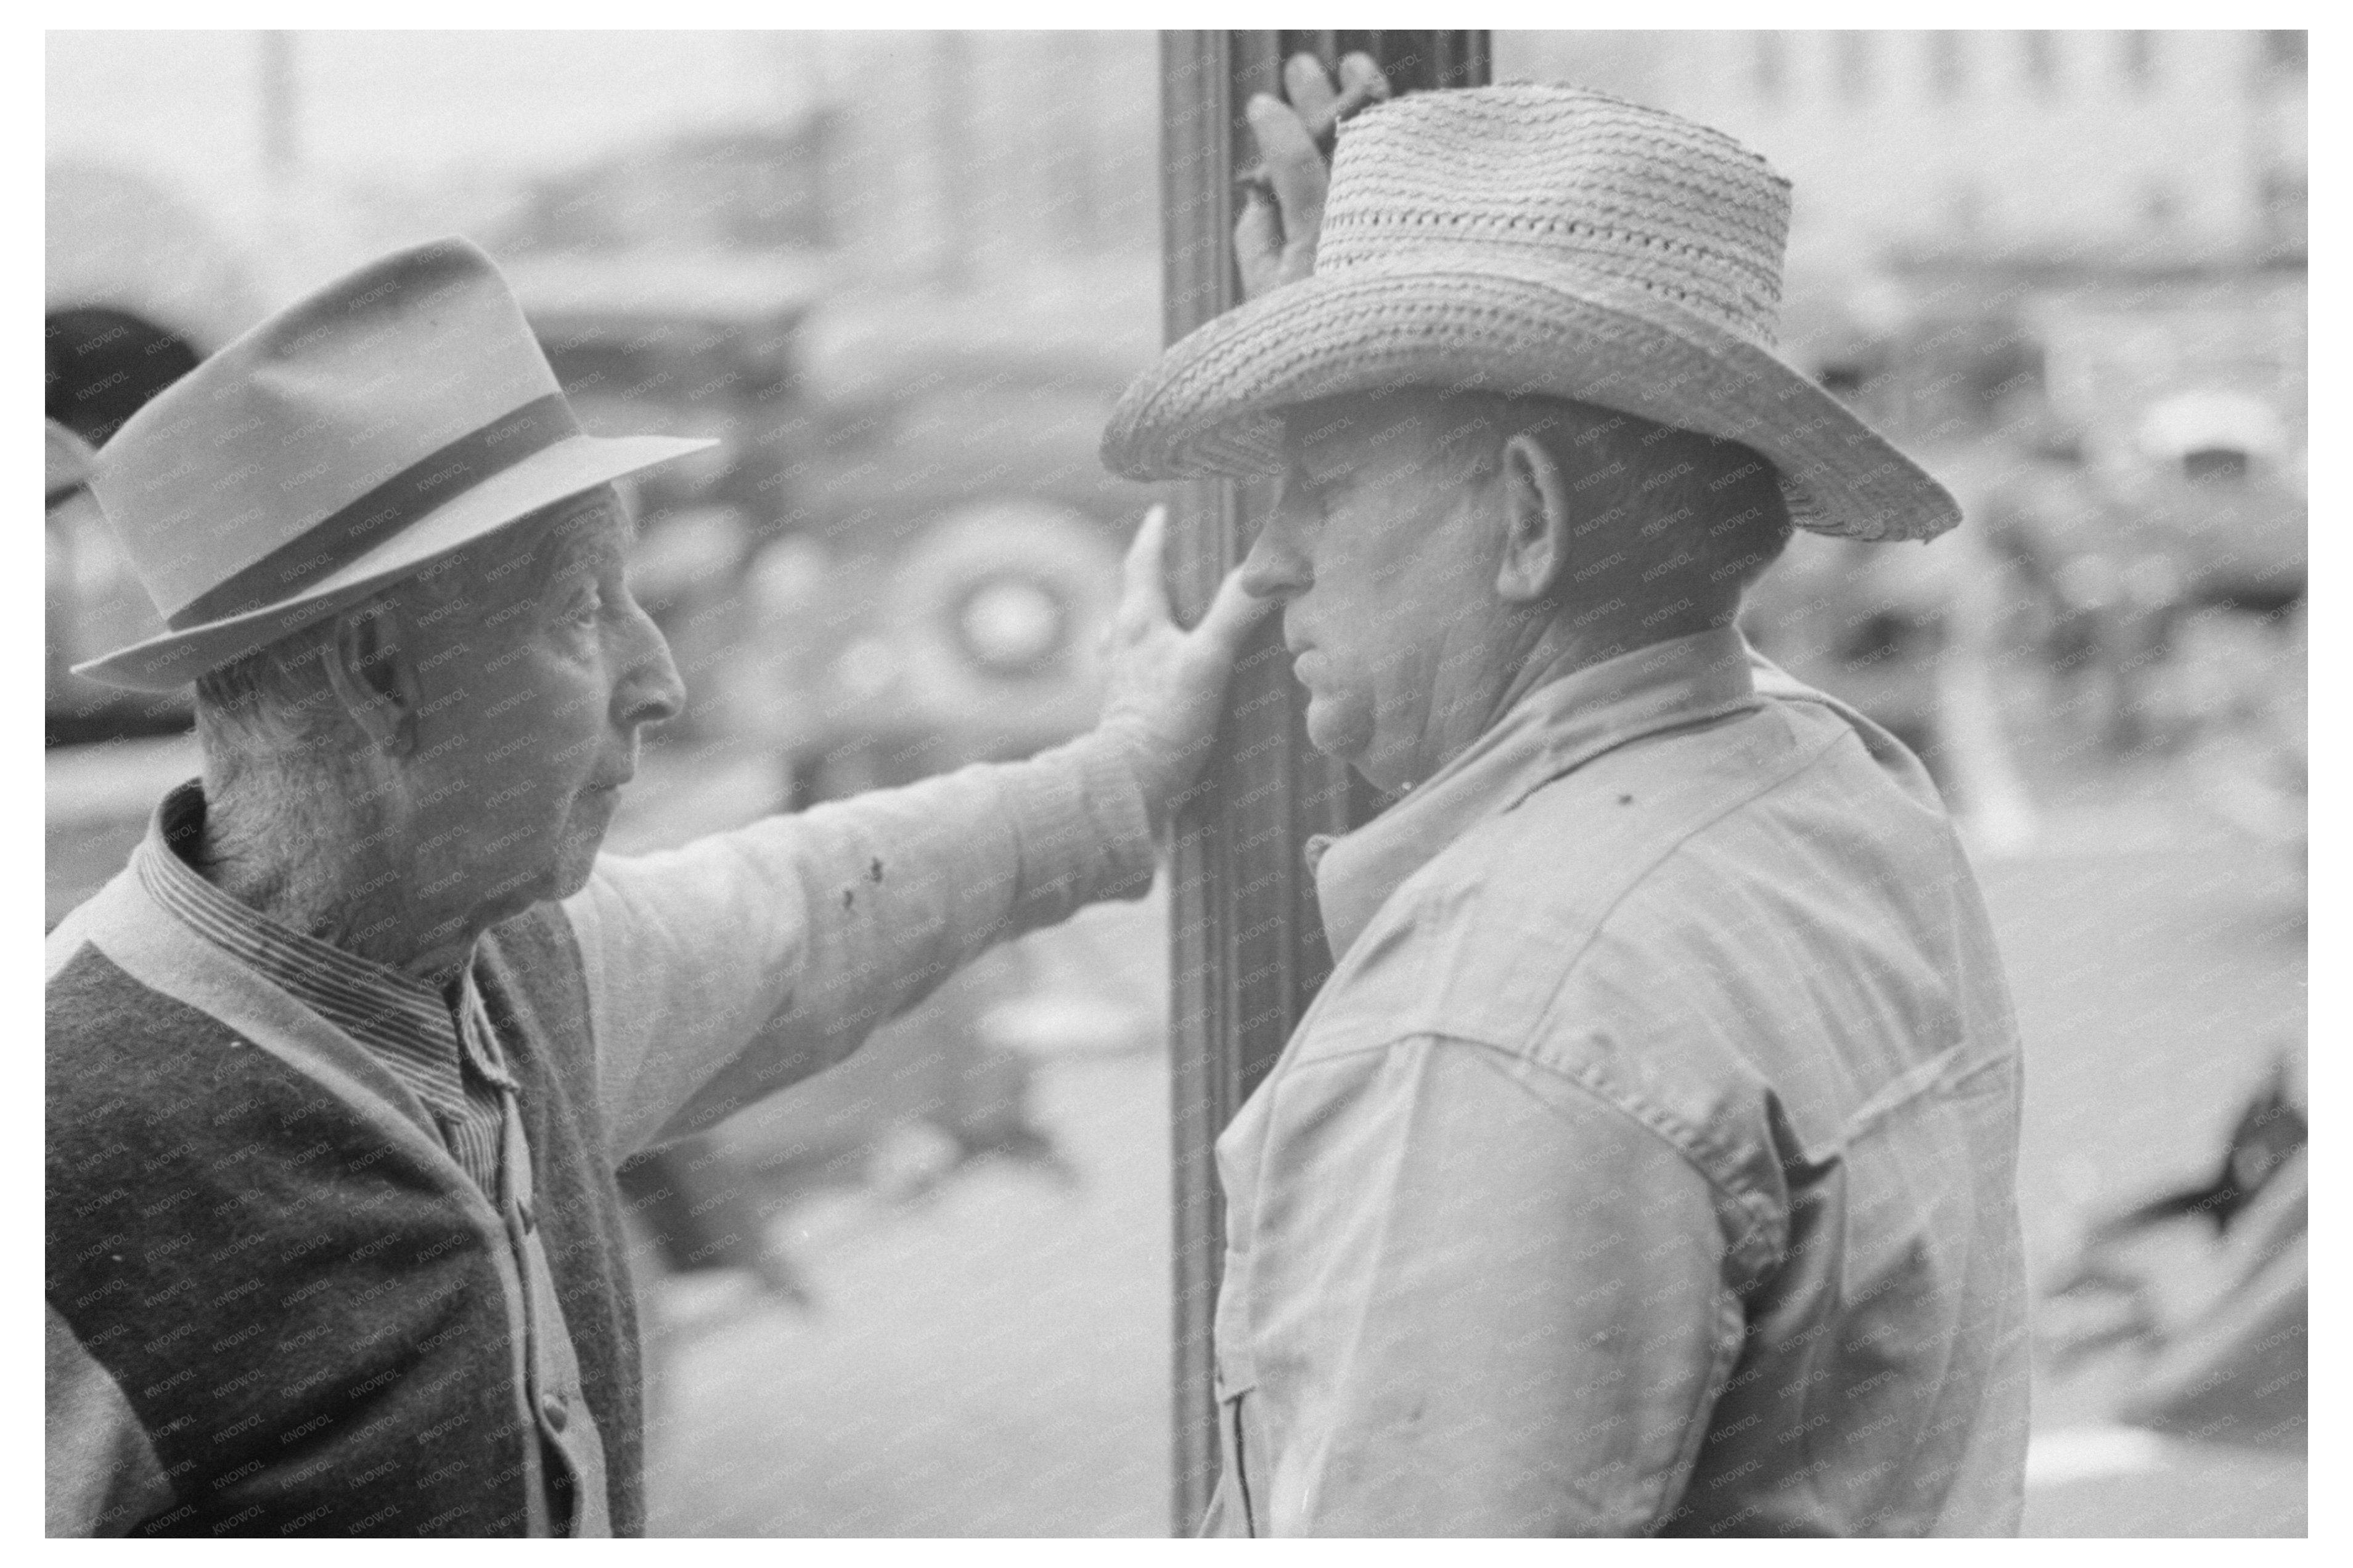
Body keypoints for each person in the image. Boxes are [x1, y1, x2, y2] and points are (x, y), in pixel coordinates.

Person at [44, 237, 1264, 1537]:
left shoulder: (517, 972)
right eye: (580, 614)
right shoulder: (68, 1144)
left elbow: (804, 911)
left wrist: (1124, 778)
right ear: (378, 677)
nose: (660, 679)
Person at [1100, 68, 2030, 1536]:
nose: (1271, 559)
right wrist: (1355, 367)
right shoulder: (1845, 794)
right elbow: (1609, 669)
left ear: (1528, 519)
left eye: (1322, 488)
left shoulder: (1507, 1011)